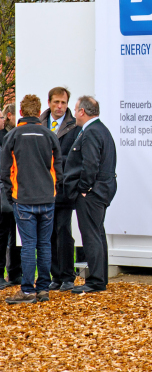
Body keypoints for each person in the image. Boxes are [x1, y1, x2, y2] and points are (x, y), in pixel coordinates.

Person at [0, 95, 62, 304]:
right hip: (46, 198)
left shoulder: (13, 135)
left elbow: (5, 171)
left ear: (20, 112)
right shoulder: (49, 135)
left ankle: (27, 290)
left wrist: (11, 196)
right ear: (38, 112)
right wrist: (54, 191)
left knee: (28, 245)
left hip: (23, 198)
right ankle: (43, 288)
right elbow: (58, 167)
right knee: (44, 244)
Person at [64, 96, 116, 294]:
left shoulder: (91, 131)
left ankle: (95, 281)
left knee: (91, 235)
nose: (74, 113)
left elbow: (90, 164)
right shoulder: (101, 129)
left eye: (75, 109)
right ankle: (100, 278)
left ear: (82, 112)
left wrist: (84, 188)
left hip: (92, 192)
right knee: (97, 232)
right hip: (100, 189)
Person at [40, 87, 80, 292]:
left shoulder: (74, 127)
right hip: (43, 189)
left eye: (63, 103)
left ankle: (67, 276)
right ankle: (55, 275)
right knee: (49, 234)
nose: (59, 106)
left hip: (63, 189)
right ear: (49, 102)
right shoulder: (39, 124)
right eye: (56, 102)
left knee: (63, 231)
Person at [0, 104, 22, 290]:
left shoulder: (14, 136)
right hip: (4, 190)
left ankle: (15, 272)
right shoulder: (5, 137)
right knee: (3, 233)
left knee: (15, 234)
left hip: (14, 189)